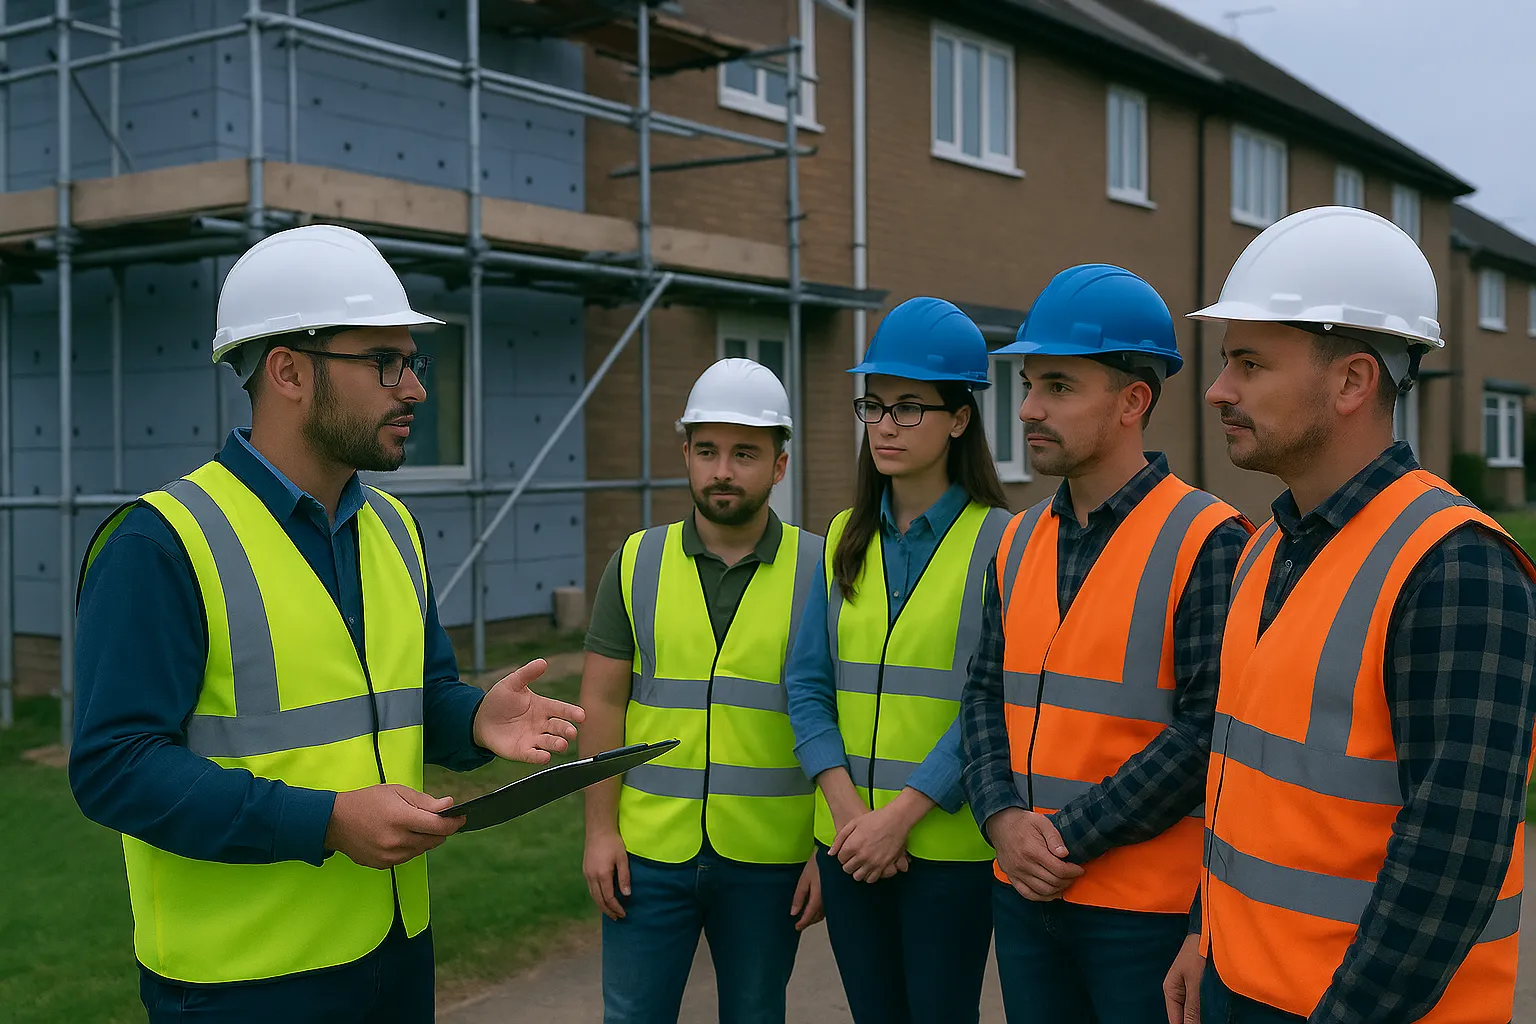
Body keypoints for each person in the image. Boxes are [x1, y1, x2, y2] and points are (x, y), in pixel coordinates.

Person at [69, 224, 584, 1024]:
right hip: (241, 985)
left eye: (411, 362)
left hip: (394, 954)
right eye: (384, 362)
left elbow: (409, 697)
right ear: (288, 371)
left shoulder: (394, 529)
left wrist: (474, 718)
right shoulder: (159, 542)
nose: (413, 388)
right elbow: (114, 767)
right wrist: (327, 821)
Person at [1161, 206, 1536, 1024]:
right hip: (1239, 984)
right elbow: (1245, 789)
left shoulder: (1456, 565)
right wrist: (1206, 935)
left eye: (1250, 363)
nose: (1219, 390)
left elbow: (1452, 857)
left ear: (1353, 381)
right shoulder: (1266, 549)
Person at [956, 264, 1251, 1023]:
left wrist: (1061, 839)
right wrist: (999, 819)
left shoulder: (1208, 538)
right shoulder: (1017, 540)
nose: (1027, 409)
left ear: (1133, 402)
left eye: (1057, 387)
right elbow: (985, 694)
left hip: (1142, 915)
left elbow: (1208, 728)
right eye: (1028, 386)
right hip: (1024, 895)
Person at [786, 296, 1011, 1024]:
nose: (885, 424)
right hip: (850, 845)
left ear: (960, 418)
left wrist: (902, 818)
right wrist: (849, 812)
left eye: (909, 407)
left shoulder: (1004, 541)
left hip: (946, 850)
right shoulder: (844, 534)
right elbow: (809, 686)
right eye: (875, 405)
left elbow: (991, 698)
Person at [579, 357, 825, 1024]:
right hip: (648, 854)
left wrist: (820, 851)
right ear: (685, 452)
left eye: (746, 453)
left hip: (771, 859)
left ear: (779, 463)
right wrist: (600, 832)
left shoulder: (822, 571)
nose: (723, 470)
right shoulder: (635, 562)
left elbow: (841, 721)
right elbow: (601, 702)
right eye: (708, 450)